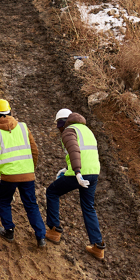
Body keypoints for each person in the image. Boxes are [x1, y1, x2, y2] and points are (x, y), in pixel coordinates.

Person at [0, 98, 46, 248]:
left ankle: (9, 231)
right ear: (10, 111)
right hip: (28, 174)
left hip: (9, 177)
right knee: (31, 204)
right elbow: (35, 150)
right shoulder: (23, 127)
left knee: (4, 201)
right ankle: (41, 236)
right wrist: (31, 168)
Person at [44, 108, 105, 260]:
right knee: (88, 206)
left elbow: (74, 151)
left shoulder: (69, 131)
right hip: (93, 173)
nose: (59, 129)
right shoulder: (86, 130)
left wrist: (76, 172)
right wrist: (67, 169)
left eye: (59, 125)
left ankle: (54, 231)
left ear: (62, 122)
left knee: (52, 192)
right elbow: (86, 154)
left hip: (80, 173)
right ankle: (98, 247)